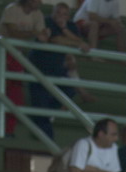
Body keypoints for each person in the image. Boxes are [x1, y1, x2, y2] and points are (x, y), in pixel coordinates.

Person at [28, 1, 91, 140]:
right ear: (52, 12)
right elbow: (56, 40)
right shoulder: (46, 21)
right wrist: (76, 43)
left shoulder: (71, 26)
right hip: (38, 68)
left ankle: (42, 121)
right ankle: (44, 138)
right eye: (58, 13)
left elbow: (80, 42)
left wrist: (65, 31)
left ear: (68, 16)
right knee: (41, 103)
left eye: (64, 14)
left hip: (57, 70)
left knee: (70, 90)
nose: (60, 16)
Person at [0, 0, 48, 137]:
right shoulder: (12, 9)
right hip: (3, 51)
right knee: (10, 91)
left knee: (15, 92)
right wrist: (35, 33)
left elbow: (41, 35)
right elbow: (12, 32)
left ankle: (8, 129)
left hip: (19, 54)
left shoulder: (38, 15)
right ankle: (5, 128)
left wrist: (45, 34)